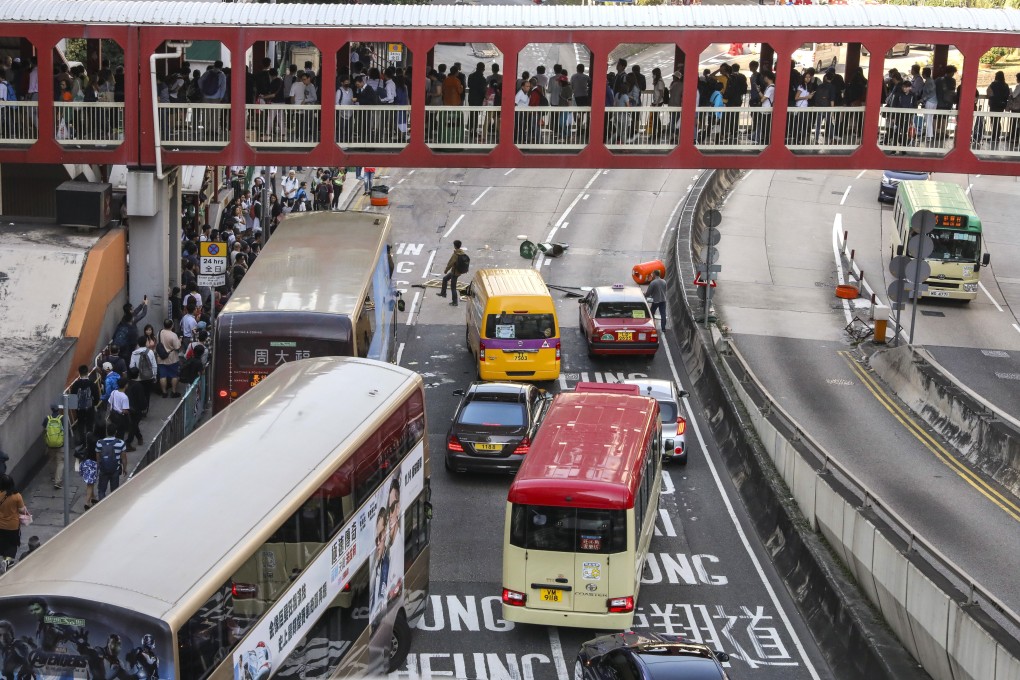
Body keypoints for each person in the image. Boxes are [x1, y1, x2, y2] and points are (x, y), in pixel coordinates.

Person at [0, 474, 28, 560]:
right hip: (13, 526)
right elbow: (22, 510)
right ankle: (7, 561)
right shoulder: (17, 496)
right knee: (12, 545)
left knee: (2, 543)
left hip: (0, 525)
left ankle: (4, 558)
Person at [95, 429, 128, 501]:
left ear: (107, 432)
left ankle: (102, 507)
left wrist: (98, 466)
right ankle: (113, 508)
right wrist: (124, 468)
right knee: (114, 492)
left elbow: (98, 457)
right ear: (115, 432)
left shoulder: (99, 443)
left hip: (103, 470)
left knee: (101, 490)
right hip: (115, 470)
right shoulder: (121, 443)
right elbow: (124, 458)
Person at [70, 364, 99, 441]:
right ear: (87, 372)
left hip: (79, 408)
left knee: (81, 424)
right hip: (90, 407)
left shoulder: (75, 385)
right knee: (90, 424)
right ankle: (90, 440)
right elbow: (96, 398)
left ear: (79, 373)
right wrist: (94, 404)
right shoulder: (92, 384)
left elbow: (72, 397)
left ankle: (82, 440)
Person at [437, 239, 468, 307]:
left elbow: (450, 263)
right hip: (457, 272)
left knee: (453, 288)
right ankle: (443, 293)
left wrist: (446, 270)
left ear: (455, 246)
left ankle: (455, 302)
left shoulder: (456, 255)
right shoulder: (462, 252)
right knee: (445, 279)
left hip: (455, 273)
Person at [156, 318, 182, 398]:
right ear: (172, 326)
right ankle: (173, 392)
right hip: (172, 358)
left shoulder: (159, 333)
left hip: (161, 357)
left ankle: (164, 392)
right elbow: (177, 347)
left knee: (162, 376)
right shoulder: (173, 335)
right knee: (174, 375)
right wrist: (180, 340)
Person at [42, 405, 65, 490]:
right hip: (60, 444)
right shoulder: (62, 418)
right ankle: (57, 481)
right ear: (58, 410)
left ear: (51, 410)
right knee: (60, 462)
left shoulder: (47, 419)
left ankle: (53, 476)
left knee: (52, 460)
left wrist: (46, 442)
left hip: (50, 444)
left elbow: (44, 431)